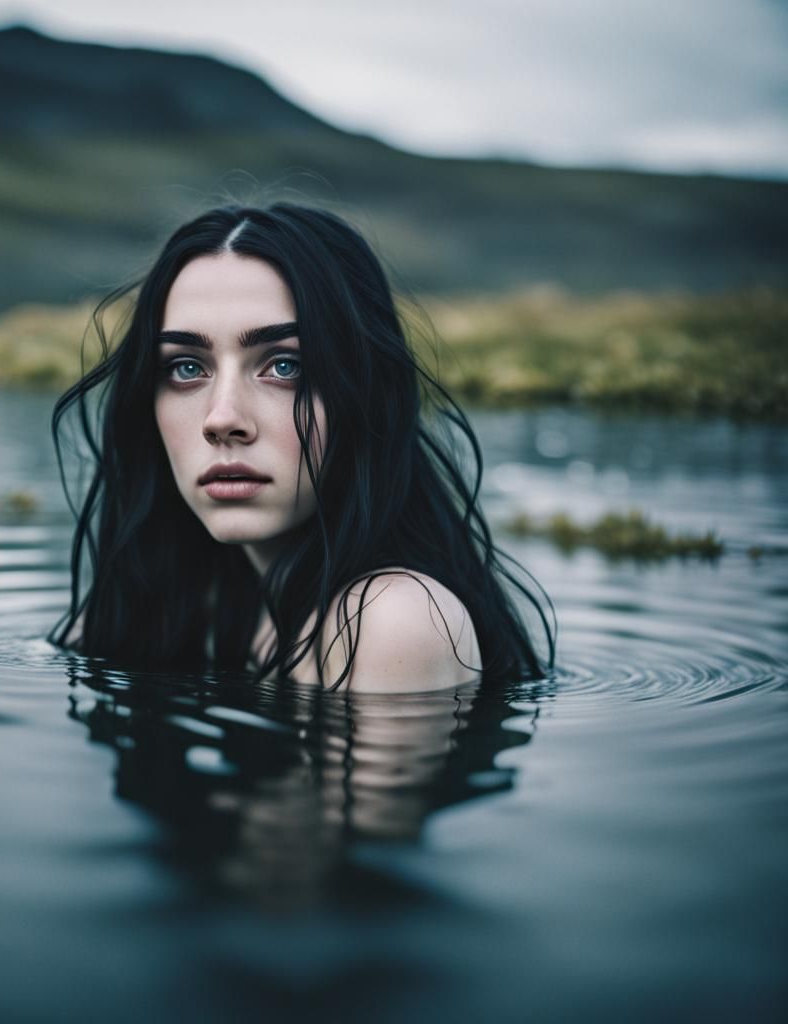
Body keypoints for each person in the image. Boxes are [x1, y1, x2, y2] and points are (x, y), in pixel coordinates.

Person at [50, 201, 553, 692]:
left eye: (284, 366)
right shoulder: (190, 599)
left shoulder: (392, 620)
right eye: (186, 367)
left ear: (364, 393)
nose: (222, 419)